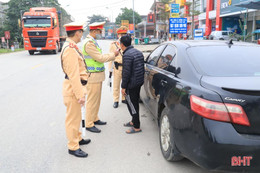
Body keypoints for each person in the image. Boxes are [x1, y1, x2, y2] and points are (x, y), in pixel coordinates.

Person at [82, 21, 119, 133]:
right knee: (92, 101)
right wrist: (114, 55)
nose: (100, 32)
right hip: (92, 76)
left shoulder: (93, 41)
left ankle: (94, 118)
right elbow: (100, 58)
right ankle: (88, 123)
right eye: (99, 31)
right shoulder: (89, 43)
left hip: (97, 76)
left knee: (97, 100)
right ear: (94, 31)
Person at [61, 22, 91, 158]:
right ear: (77, 33)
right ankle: (73, 147)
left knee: (77, 117)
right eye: (81, 32)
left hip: (76, 87)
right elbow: (73, 75)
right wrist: (80, 95)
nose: (82, 35)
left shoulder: (72, 47)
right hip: (73, 89)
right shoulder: (69, 49)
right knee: (72, 120)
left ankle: (78, 138)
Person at [120, 35, 145, 134]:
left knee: (132, 105)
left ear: (122, 44)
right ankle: (133, 121)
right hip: (138, 82)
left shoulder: (127, 55)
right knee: (134, 102)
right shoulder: (138, 52)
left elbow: (126, 73)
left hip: (131, 84)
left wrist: (123, 87)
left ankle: (136, 126)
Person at [108, 26, 128, 108]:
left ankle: (124, 98)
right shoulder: (113, 45)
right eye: (121, 34)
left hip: (126, 67)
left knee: (125, 84)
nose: (123, 36)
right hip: (117, 67)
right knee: (116, 85)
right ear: (118, 35)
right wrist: (110, 70)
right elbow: (110, 57)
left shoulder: (128, 44)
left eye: (124, 34)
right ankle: (116, 100)